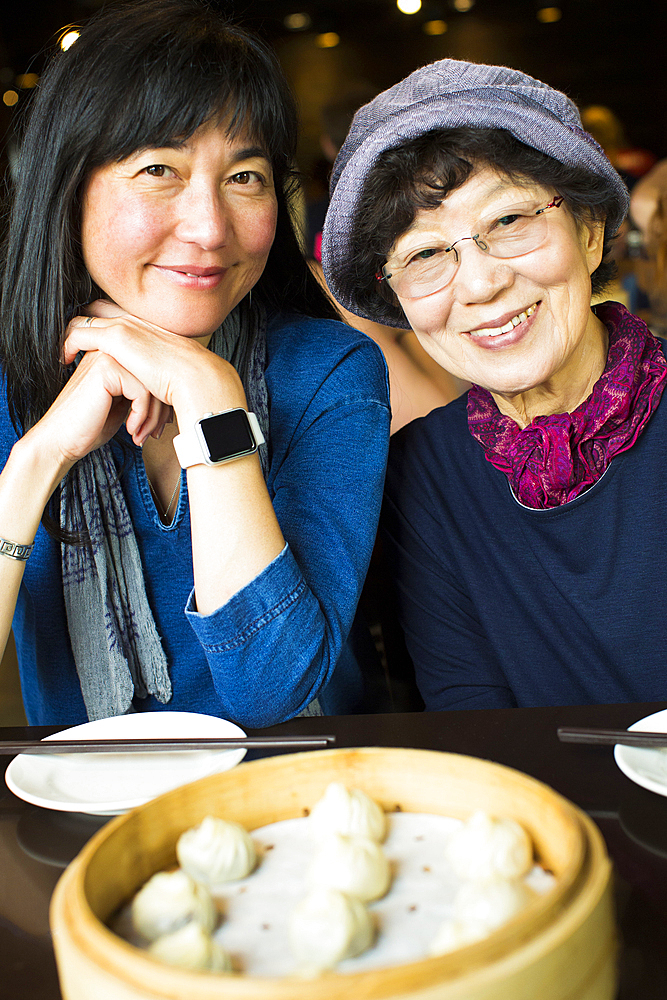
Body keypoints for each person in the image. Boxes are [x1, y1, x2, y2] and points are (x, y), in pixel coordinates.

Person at [0, 0, 390, 727]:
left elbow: (272, 693)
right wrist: (37, 458)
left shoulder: (330, 374)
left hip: (292, 804)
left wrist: (212, 403)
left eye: (245, 177)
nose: (210, 228)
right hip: (83, 806)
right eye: (158, 169)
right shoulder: (10, 379)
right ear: (67, 188)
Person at [322, 59, 667, 711]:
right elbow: (473, 723)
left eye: (508, 221)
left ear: (589, 232)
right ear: (396, 301)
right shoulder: (421, 475)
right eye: (424, 255)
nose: (480, 285)